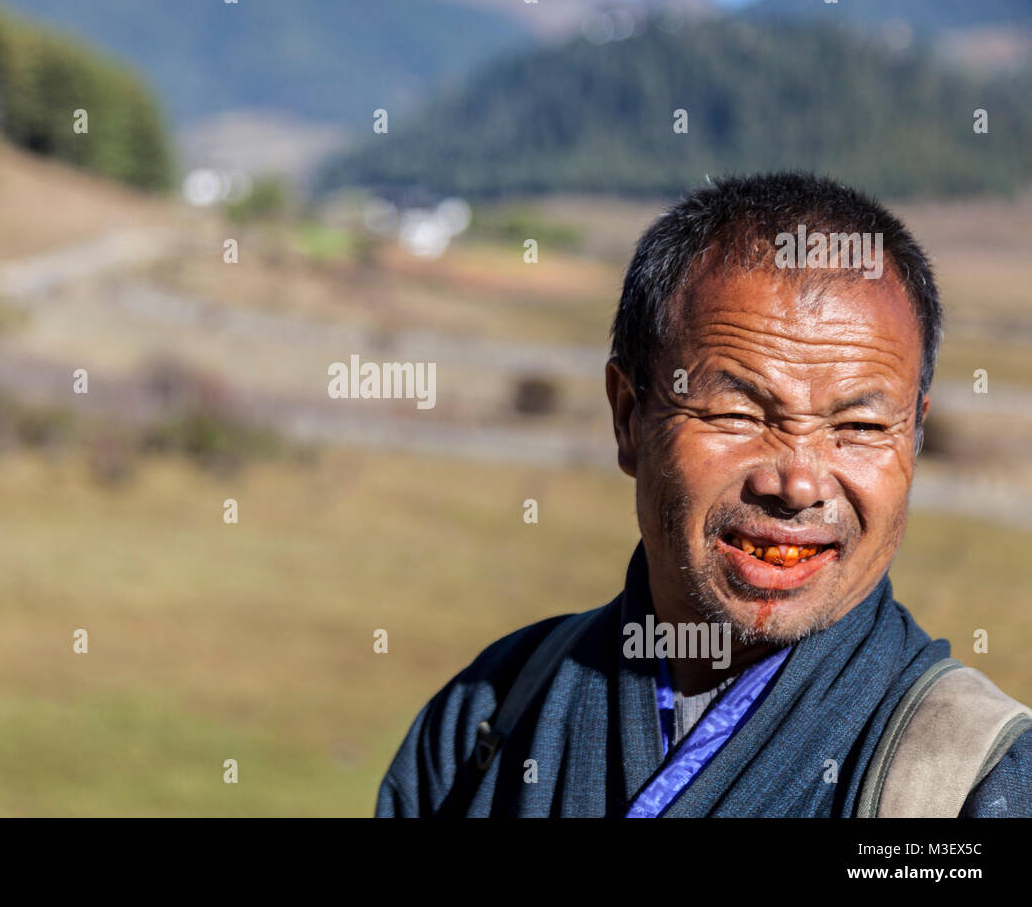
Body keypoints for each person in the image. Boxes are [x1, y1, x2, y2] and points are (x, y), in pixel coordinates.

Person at [376, 172, 1032, 817]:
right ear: (628, 415)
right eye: (737, 415)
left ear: (913, 437)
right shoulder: (489, 717)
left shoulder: (969, 780)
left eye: (859, 427)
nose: (799, 483)